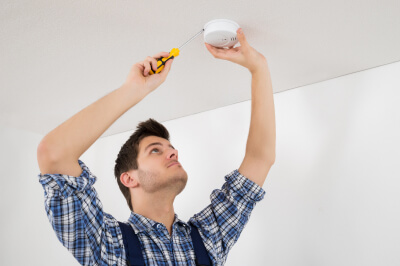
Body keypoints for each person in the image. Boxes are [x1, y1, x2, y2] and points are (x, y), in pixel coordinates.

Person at [37, 28, 276, 266]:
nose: (173, 152)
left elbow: (260, 159)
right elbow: (55, 153)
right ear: (129, 178)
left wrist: (259, 68)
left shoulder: (207, 238)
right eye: (155, 150)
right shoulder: (109, 246)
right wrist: (133, 90)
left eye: (170, 148)